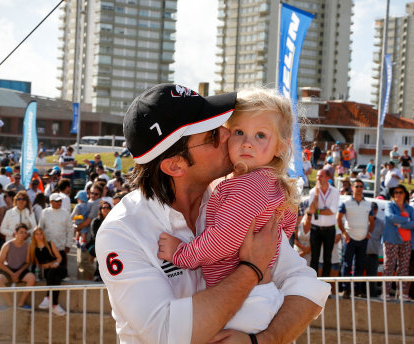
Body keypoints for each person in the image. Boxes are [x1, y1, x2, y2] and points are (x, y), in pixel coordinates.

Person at [95, 84, 329, 343]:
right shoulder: (122, 231)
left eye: (223, 125)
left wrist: (264, 340)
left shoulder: (237, 199)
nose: (228, 135)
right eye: (212, 135)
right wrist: (251, 269)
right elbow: (167, 334)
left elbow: (307, 286)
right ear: (175, 165)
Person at [158, 89, 300, 334]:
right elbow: (286, 228)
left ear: (280, 147)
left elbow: (223, 239)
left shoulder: (247, 186)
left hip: (244, 301)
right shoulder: (270, 183)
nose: (247, 142)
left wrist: (181, 254)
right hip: (259, 294)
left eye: (260, 135)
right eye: (239, 132)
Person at [337, 179, 374, 297]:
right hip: (349, 238)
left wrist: (369, 234)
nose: (359, 188)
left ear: (363, 188)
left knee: (360, 265)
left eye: (361, 186)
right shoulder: (346, 203)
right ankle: (345, 289)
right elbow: (338, 218)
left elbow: (372, 221)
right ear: (352, 188)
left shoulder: (368, 204)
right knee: (347, 264)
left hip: (363, 238)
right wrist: (344, 233)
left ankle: (357, 289)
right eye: (357, 186)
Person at [382, 184, 414, 300]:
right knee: (389, 266)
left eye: (400, 192)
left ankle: (402, 294)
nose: (398, 194)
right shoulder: (389, 205)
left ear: (405, 194)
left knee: (404, 268)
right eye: (396, 192)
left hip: (406, 241)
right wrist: (406, 220)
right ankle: (385, 292)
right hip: (391, 239)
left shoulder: (410, 208)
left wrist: (401, 223)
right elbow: (390, 217)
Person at [306, 168, 340, 277]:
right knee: (314, 258)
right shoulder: (313, 192)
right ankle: (313, 283)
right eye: (317, 176)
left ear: (327, 178)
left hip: (329, 229)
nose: (318, 178)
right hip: (316, 228)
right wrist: (316, 194)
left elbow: (332, 211)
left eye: (320, 176)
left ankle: (326, 284)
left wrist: (318, 210)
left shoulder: (334, 192)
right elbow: (311, 209)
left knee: (327, 258)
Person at [0, 224, 36, 309]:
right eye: (21, 232)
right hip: (8, 269)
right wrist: (12, 274)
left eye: (25, 233)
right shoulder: (7, 245)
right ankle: (9, 303)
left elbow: (27, 263)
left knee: (32, 278)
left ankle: (21, 303)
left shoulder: (28, 245)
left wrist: (18, 273)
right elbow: (0, 262)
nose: (23, 234)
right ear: (15, 233)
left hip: (21, 270)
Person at [29, 227, 67, 316]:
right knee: (55, 279)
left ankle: (48, 297)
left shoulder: (50, 244)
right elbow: (37, 263)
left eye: (40, 233)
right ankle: (55, 305)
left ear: (43, 235)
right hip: (48, 272)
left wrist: (55, 264)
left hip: (59, 268)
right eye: (36, 234)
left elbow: (59, 257)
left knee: (53, 271)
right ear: (34, 236)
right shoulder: (33, 248)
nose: (39, 236)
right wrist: (42, 269)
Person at [39, 193, 73, 276]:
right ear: (51, 202)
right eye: (57, 201)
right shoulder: (44, 212)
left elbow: (70, 230)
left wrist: (68, 245)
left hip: (61, 248)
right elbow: (40, 229)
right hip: (48, 249)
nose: (59, 203)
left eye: (60, 201)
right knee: (48, 273)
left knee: (61, 273)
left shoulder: (66, 213)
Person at [88, 200, 111, 282]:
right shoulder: (96, 221)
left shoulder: (112, 221)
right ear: (100, 209)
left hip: (109, 245)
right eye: (103, 207)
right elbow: (95, 236)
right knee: (102, 251)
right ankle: (97, 275)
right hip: (95, 245)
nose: (105, 209)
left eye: (108, 207)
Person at [364, 202, 384, 297]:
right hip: (360, 253)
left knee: (372, 277)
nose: (373, 210)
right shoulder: (361, 220)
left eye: (375, 208)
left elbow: (383, 239)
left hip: (373, 254)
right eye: (371, 208)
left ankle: (372, 295)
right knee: (357, 276)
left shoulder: (381, 224)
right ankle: (357, 292)